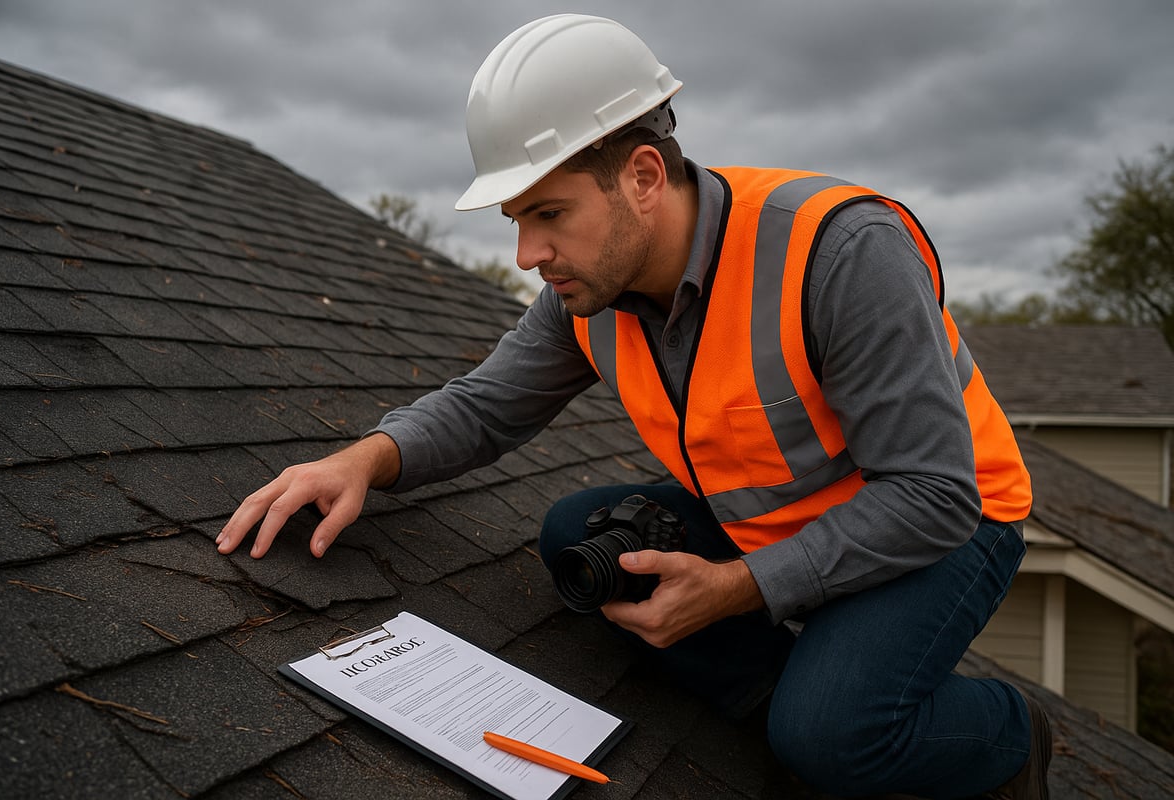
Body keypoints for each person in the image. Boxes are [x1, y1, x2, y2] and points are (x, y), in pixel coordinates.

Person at [217, 14, 1051, 799]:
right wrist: (360, 458)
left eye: (548, 215)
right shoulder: (589, 291)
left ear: (643, 176)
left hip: (949, 523)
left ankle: (1010, 736)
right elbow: (484, 408)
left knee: (827, 738)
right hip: (780, 519)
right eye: (517, 219)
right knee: (578, 535)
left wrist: (734, 589)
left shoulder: (840, 252)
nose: (526, 255)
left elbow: (933, 497)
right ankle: (789, 694)